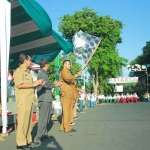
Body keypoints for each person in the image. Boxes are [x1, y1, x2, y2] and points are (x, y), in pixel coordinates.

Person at [13, 53, 44, 150]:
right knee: (22, 122)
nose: (30, 62)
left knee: (28, 122)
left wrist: (38, 84)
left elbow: (30, 85)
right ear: (25, 60)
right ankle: (21, 143)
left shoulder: (28, 72)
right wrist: (34, 84)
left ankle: (28, 141)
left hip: (29, 100)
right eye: (29, 60)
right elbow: (20, 85)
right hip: (23, 100)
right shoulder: (18, 71)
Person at [35, 59, 62, 142]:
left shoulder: (43, 73)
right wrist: (55, 85)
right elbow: (45, 85)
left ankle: (44, 133)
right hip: (44, 98)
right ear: (46, 65)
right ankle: (40, 134)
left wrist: (53, 84)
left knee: (47, 117)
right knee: (43, 117)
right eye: (48, 64)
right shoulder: (41, 73)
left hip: (47, 97)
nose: (49, 66)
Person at [59, 60, 82, 133]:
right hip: (66, 94)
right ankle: (67, 127)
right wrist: (76, 75)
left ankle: (63, 126)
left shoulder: (68, 72)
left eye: (70, 64)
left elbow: (72, 83)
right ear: (64, 65)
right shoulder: (64, 72)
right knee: (67, 111)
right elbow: (68, 79)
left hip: (69, 94)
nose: (70, 65)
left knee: (67, 111)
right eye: (68, 64)